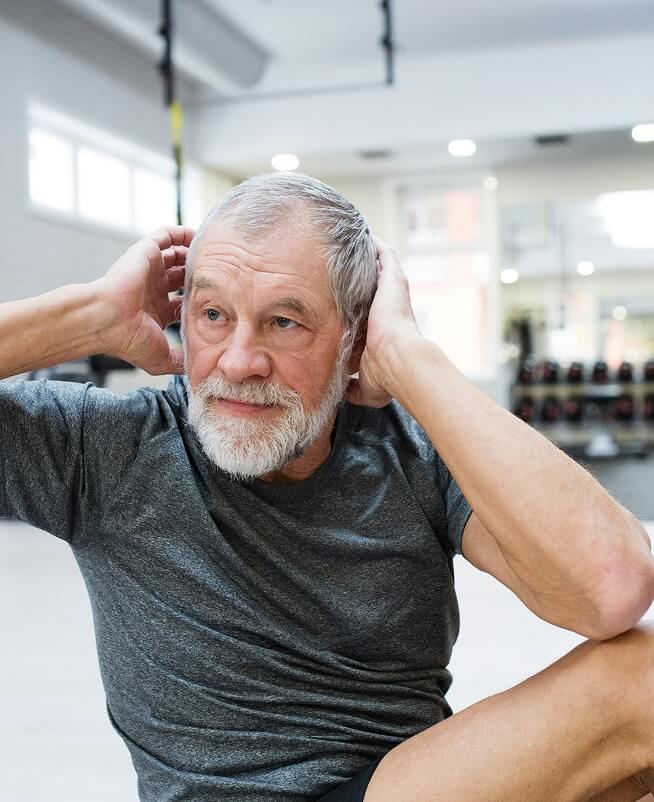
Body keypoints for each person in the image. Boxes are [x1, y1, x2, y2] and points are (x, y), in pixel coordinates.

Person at [1, 172, 654, 802]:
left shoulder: (409, 446)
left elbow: (610, 587)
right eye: (213, 315)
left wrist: (407, 356)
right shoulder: (105, 446)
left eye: (284, 322)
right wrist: (90, 315)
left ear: (355, 335)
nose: (240, 361)